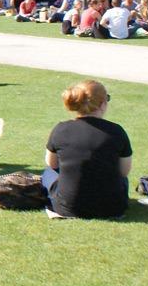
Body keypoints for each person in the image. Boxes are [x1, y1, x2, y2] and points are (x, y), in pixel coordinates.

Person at [42, 80, 133, 219]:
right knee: (120, 179)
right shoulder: (116, 131)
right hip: (113, 208)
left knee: (48, 173)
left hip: (67, 208)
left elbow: (52, 164)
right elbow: (124, 171)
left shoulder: (61, 129)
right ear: (102, 104)